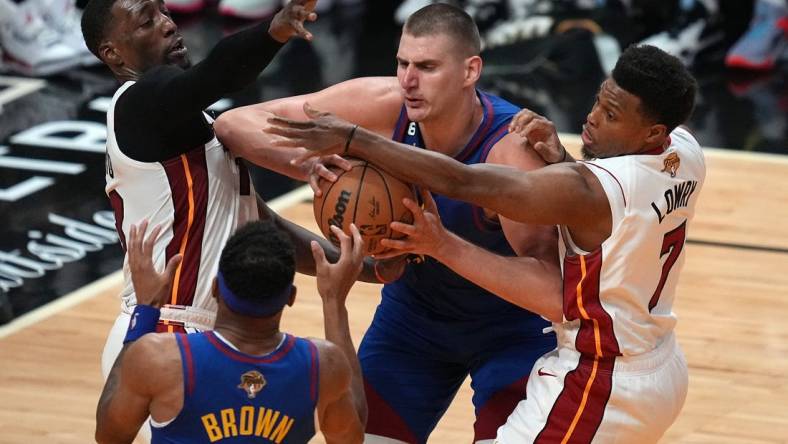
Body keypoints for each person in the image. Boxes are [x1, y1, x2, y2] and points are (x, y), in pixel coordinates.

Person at [265, 43, 704, 443]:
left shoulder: (594, 188)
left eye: (611, 116)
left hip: (602, 376)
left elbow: (464, 180)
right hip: (660, 361)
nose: (590, 118)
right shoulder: (684, 153)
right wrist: (563, 159)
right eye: (598, 102)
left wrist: (355, 139)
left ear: (652, 132)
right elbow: (609, 207)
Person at [214, 4, 558, 442]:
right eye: (402, 63)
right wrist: (311, 166)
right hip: (414, 319)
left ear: (471, 70)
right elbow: (234, 123)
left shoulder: (509, 151)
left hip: (512, 331)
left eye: (428, 67)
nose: (409, 81)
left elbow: (552, 290)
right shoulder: (383, 105)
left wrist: (442, 245)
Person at [79, 0, 383, 381]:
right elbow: (215, 74)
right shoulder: (136, 106)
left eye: (165, 12)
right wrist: (275, 30)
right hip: (166, 330)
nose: (168, 25)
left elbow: (263, 227)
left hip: (209, 335)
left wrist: (368, 268)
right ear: (113, 53)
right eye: (146, 22)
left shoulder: (183, 121)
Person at [95, 218, 367, 444]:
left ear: (215, 288)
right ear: (290, 297)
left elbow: (109, 436)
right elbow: (352, 436)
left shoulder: (161, 360)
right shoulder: (323, 365)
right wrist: (334, 301)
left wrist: (147, 309)